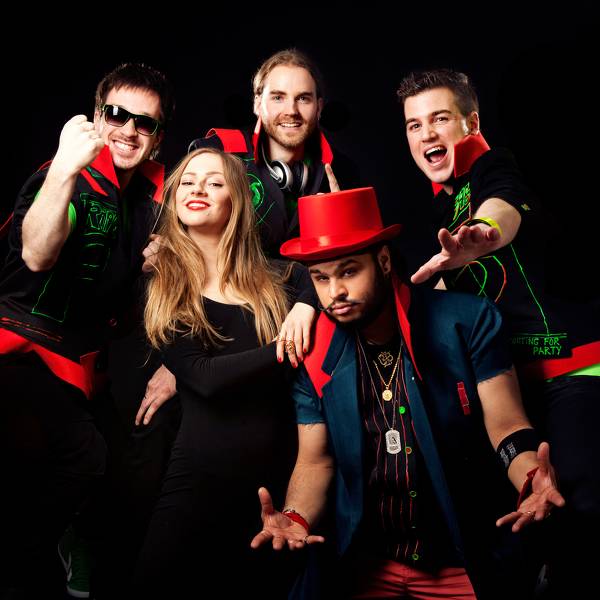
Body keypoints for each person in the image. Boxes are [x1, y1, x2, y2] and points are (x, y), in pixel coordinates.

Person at [251, 188, 564, 599]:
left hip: (458, 562)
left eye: (348, 272)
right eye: (321, 278)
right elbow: (315, 460)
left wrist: (530, 477)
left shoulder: (469, 321)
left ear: (383, 262)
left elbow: (505, 424)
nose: (334, 292)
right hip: (367, 566)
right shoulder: (313, 352)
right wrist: (296, 516)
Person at [397, 68, 600, 597]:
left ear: (471, 123)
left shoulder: (493, 165)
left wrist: (484, 235)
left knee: (577, 507)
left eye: (440, 119)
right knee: (518, 526)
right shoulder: (443, 203)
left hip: (572, 371)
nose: (427, 134)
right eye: (415, 125)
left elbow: (503, 208)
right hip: (508, 389)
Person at [0, 63, 175, 599]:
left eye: (144, 123)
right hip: (22, 350)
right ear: (97, 117)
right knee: (85, 458)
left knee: (125, 469)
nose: (128, 130)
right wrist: (62, 172)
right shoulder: (68, 175)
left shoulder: (146, 199)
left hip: (84, 363)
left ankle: (76, 544)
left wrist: (151, 268)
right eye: (117, 115)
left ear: (156, 137)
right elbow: (36, 252)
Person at [132, 147, 312, 598]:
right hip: (199, 482)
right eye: (188, 181)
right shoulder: (163, 284)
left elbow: (328, 283)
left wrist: (308, 307)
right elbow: (203, 376)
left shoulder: (283, 280)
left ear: (237, 201)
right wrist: (289, 344)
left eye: (215, 182)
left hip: (276, 484)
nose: (198, 188)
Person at [187, 48, 359, 256]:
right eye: (278, 97)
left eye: (303, 98)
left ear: (319, 107)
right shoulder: (216, 153)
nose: (291, 111)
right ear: (257, 104)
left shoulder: (343, 172)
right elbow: (176, 233)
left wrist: (343, 226)